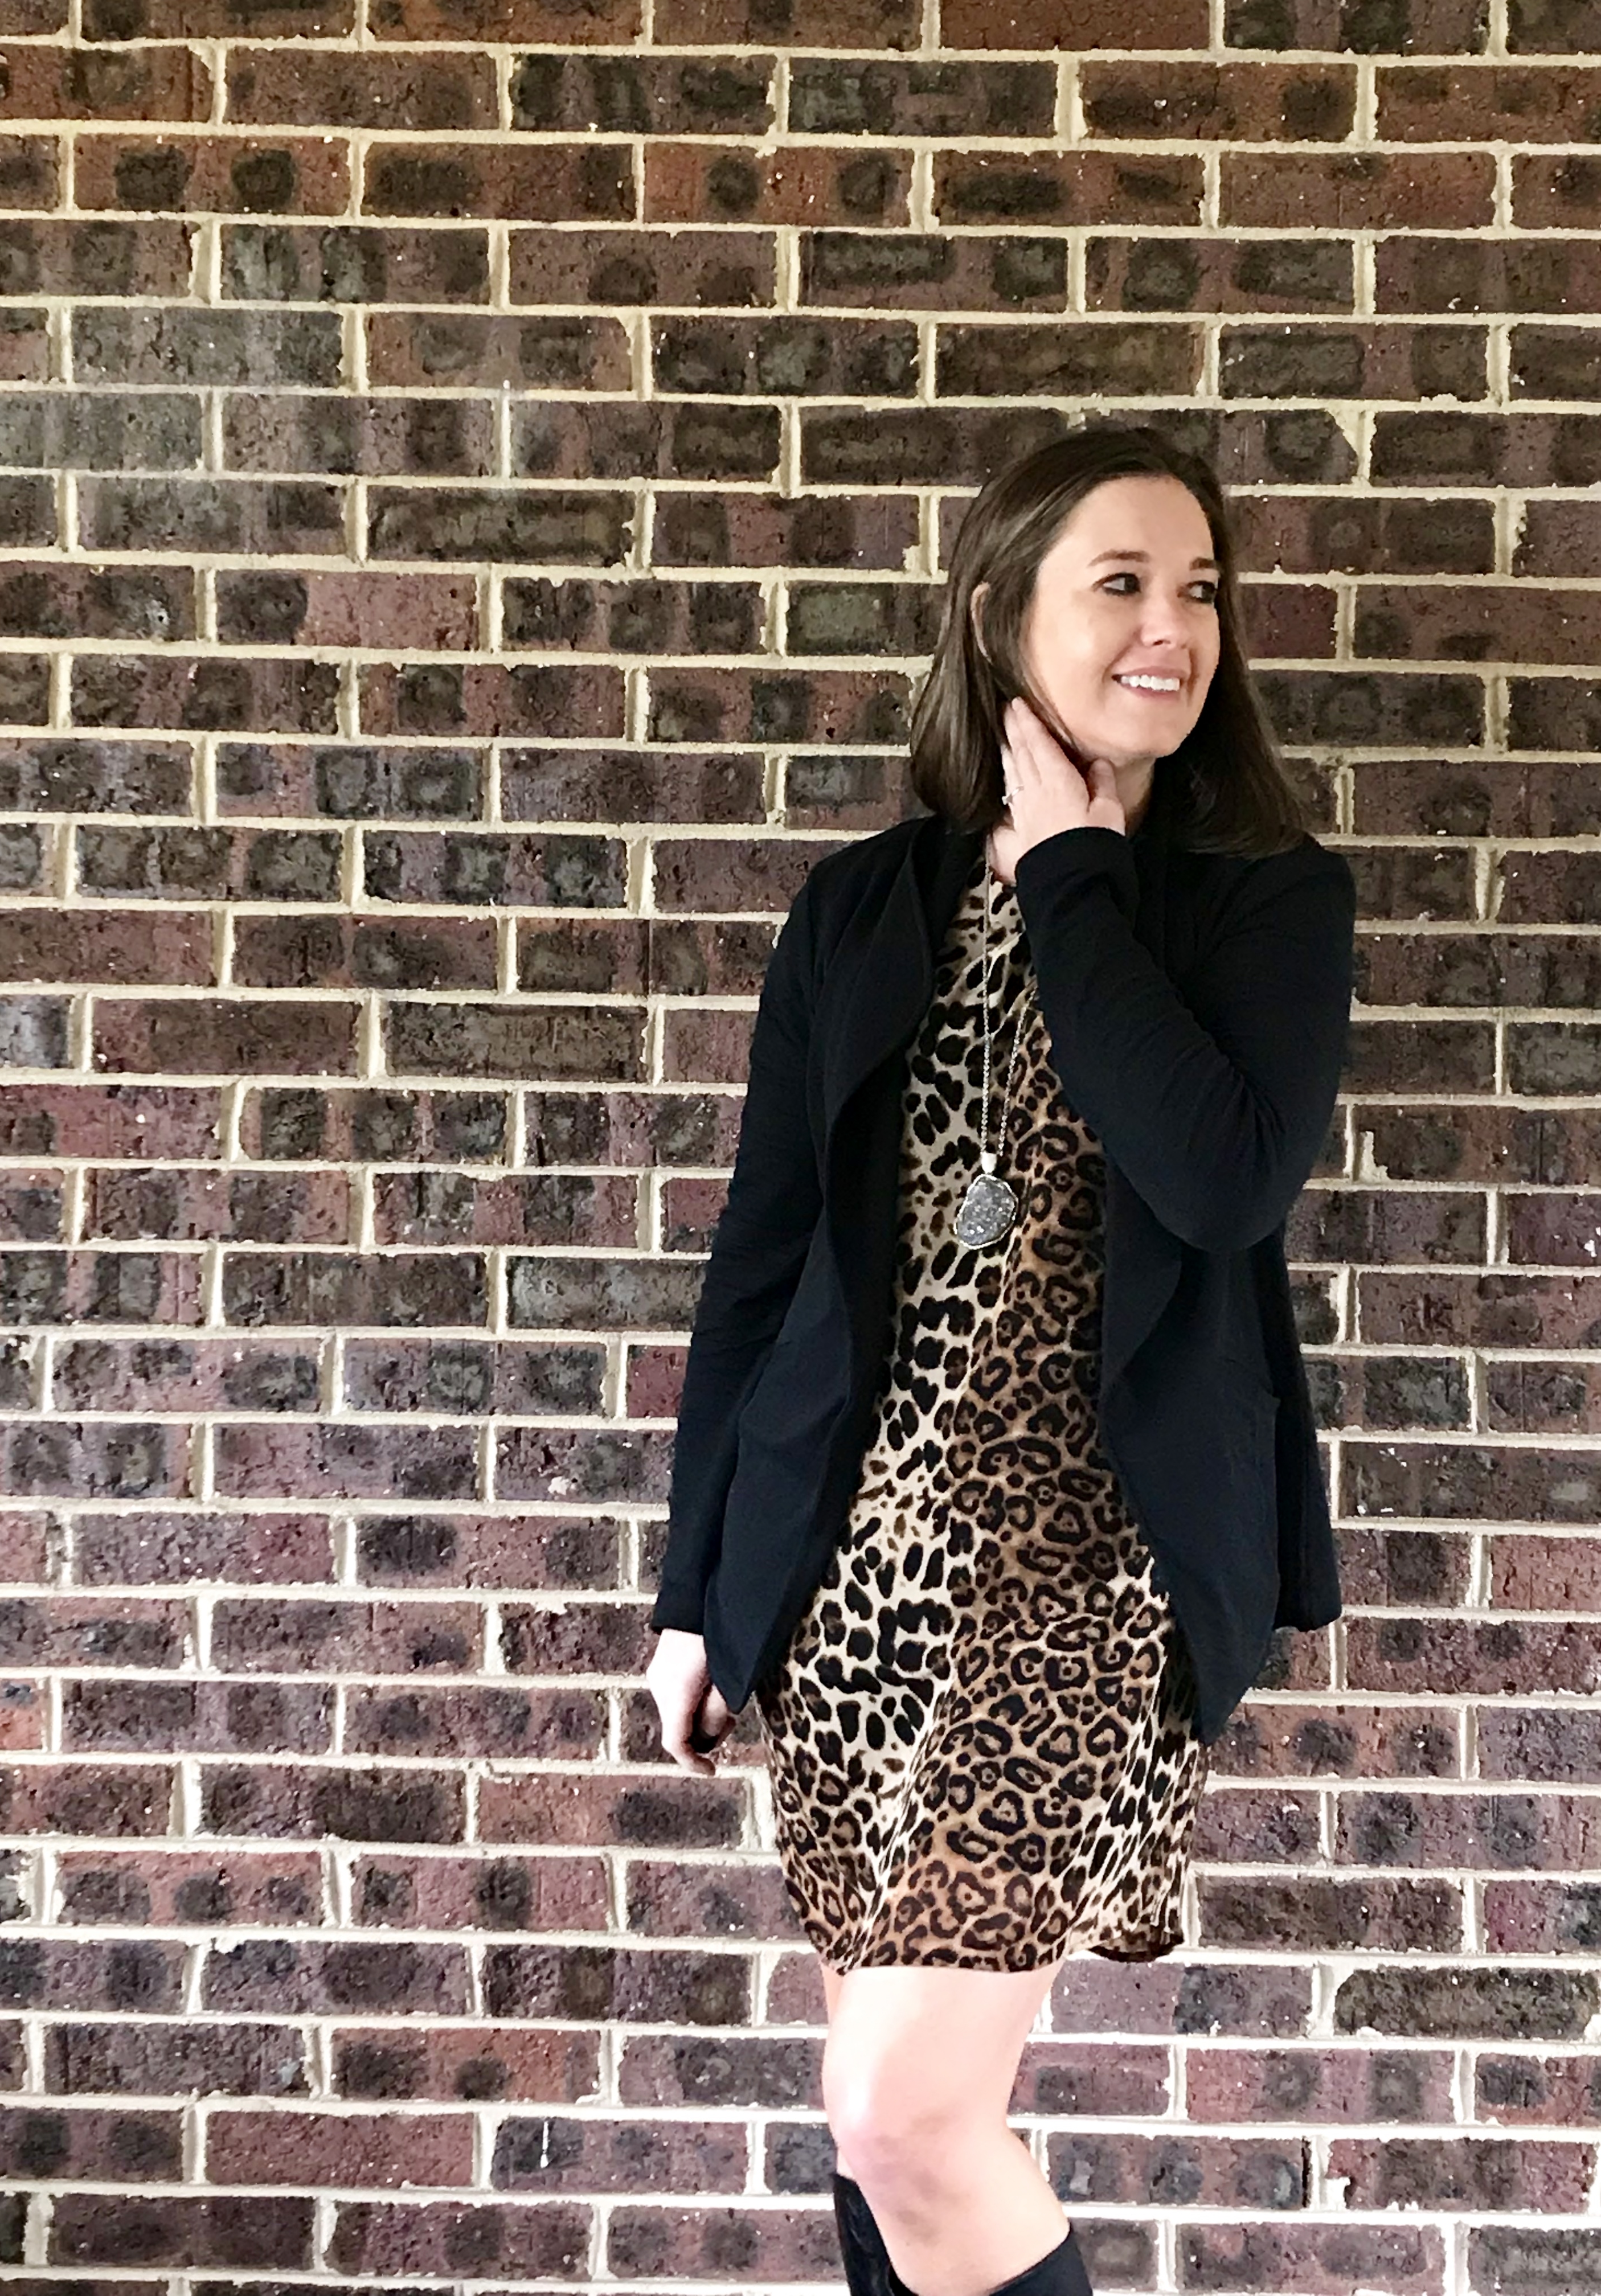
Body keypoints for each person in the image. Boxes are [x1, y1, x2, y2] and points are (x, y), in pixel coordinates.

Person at [643, 424, 1356, 2296]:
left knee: (903, 2116)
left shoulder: (1261, 897)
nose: (1170, 628)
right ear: (997, 615)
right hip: (854, 1572)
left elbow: (1220, 1175)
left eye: (1198, 589)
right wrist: (695, 1593)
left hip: (1085, 1580)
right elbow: (759, 1267)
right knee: (874, 2126)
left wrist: (1076, 877)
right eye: (1120, 584)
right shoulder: (860, 908)